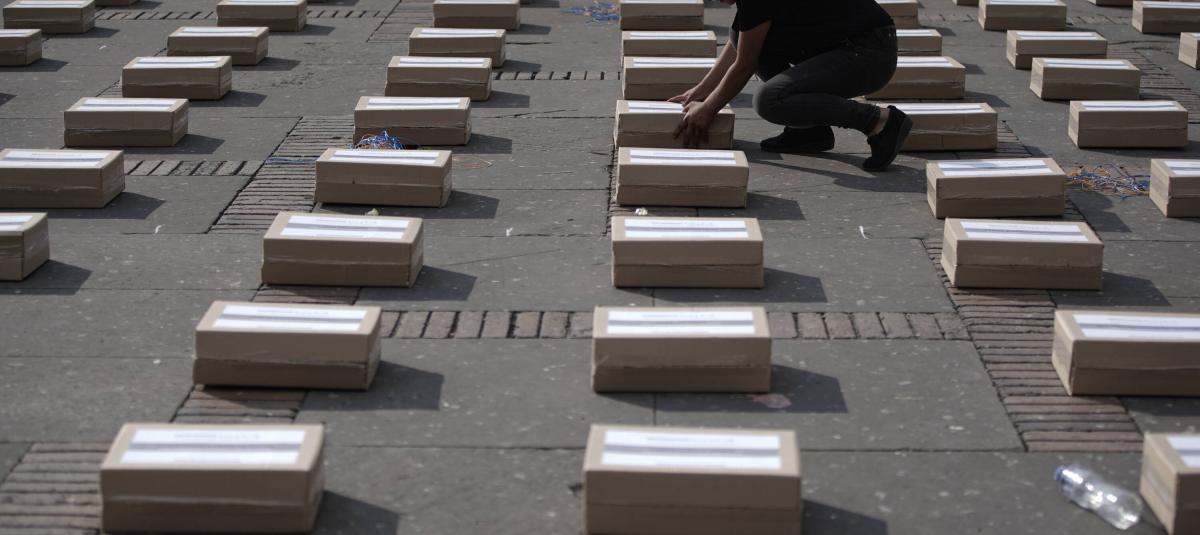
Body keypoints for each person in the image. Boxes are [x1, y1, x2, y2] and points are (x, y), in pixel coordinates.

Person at [671, 0, 911, 171]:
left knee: (770, 100)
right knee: (744, 38)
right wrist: (701, 90)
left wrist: (708, 109)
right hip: (854, 46)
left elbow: (745, 64)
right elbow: (740, 44)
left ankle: (879, 120)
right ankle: (808, 130)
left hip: (869, 54)